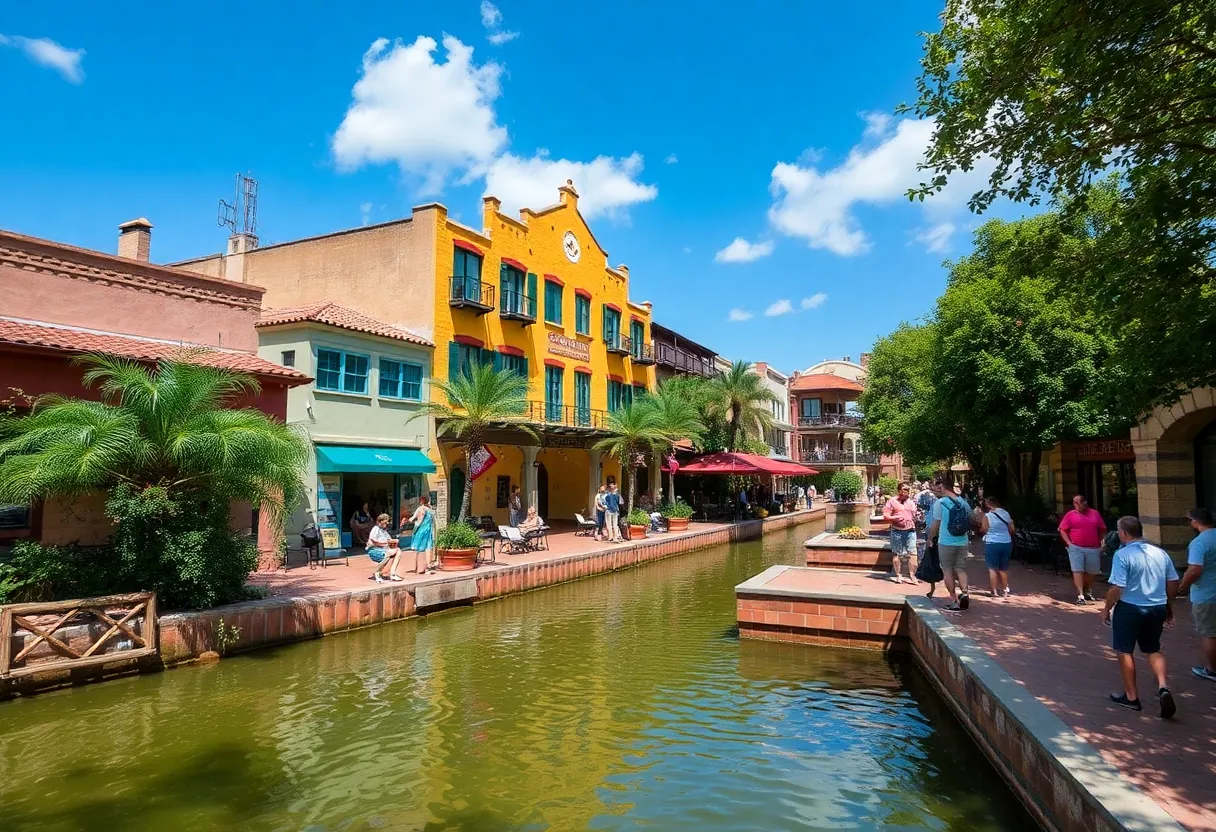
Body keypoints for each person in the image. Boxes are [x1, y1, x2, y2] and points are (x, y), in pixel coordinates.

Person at [1103, 516, 1178, 718]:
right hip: (1156, 607)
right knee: (1153, 648)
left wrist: (1106, 608)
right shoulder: (1160, 552)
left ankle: (1131, 697)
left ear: (1124, 533)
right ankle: (1163, 686)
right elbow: (1173, 581)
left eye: (1119, 531)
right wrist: (1168, 603)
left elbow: (1117, 587)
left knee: (1124, 650)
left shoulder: (1122, 554)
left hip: (1130, 607)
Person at [1176, 507, 1216, 682]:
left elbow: (1195, 569)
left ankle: (1212, 670)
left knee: (1210, 634)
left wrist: (1183, 586)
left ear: (1195, 522)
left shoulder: (1199, 543)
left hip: (1206, 594)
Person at [927, 476, 971, 611]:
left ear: (942, 487)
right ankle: (964, 593)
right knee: (960, 569)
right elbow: (970, 520)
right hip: (962, 541)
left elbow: (935, 524)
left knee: (947, 571)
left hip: (946, 542)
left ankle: (954, 599)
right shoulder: (963, 502)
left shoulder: (941, 503)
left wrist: (930, 537)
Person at [1059, 495, 1107, 605]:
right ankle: (1080, 594)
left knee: (1093, 571)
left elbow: (1102, 529)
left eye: (1079, 503)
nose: (1077, 505)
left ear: (1085, 503)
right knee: (1077, 570)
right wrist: (1069, 543)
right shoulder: (1070, 515)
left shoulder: (1094, 514)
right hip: (1076, 547)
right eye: (1075, 503)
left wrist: (1102, 542)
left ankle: (1087, 589)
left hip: (1093, 547)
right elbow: (1063, 529)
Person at [883, 483, 919, 584]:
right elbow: (885, 515)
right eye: (904, 491)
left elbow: (915, 515)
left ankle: (912, 575)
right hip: (897, 530)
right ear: (899, 491)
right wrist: (895, 518)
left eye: (908, 491)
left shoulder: (911, 502)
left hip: (910, 530)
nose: (906, 493)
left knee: (913, 553)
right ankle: (898, 575)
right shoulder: (892, 501)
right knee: (897, 553)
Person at [983, 495, 1016, 598]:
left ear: (989, 504)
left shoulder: (988, 516)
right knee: (1003, 568)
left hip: (992, 543)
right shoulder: (1006, 513)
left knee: (992, 568)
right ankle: (1005, 590)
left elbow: (984, 528)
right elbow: (1012, 529)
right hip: (1006, 542)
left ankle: (994, 591)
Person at [367, 513, 402, 583]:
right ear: (380, 522)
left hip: (383, 550)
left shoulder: (384, 531)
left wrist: (394, 541)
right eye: (385, 522)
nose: (387, 523)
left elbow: (389, 540)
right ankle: (377, 572)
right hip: (374, 550)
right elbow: (374, 541)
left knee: (398, 551)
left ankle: (392, 573)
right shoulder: (375, 529)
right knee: (389, 553)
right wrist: (386, 543)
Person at [406, 495, 434, 574]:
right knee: (428, 547)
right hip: (429, 530)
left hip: (421, 531)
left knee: (419, 549)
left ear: (421, 501)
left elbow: (418, 520)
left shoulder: (421, 509)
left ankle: (418, 568)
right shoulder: (430, 509)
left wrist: (410, 520)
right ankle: (427, 567)